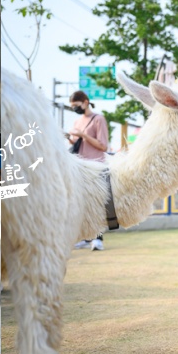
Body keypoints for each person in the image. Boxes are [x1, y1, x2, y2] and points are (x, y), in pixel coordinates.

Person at [68, 90, 110, 251]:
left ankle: (97, 238)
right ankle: (85, 237)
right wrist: (70, 137)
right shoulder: (78, 122)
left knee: (96, 203)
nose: (75, 109)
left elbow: (103, 145)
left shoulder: (98, 119)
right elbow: (77, 143)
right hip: (80, 167)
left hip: (96, 165)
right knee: (81, 204)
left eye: (76, 106)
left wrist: (83, 135)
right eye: (72, 107)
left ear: (85, 102)